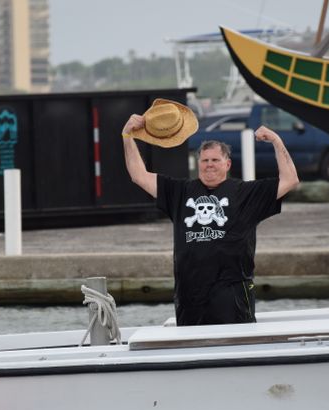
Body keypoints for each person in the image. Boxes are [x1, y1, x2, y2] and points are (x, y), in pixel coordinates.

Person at [122, 98, 299, 326]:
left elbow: (290, 179)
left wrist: (276, 140)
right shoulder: (180, 191)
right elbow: (139, 175)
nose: (209, 164)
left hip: (232, 296)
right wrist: (127, 136)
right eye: (205, 160)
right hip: (190, 296)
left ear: (227, 164)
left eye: (215, 160)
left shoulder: (245, 192)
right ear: (198, 164)